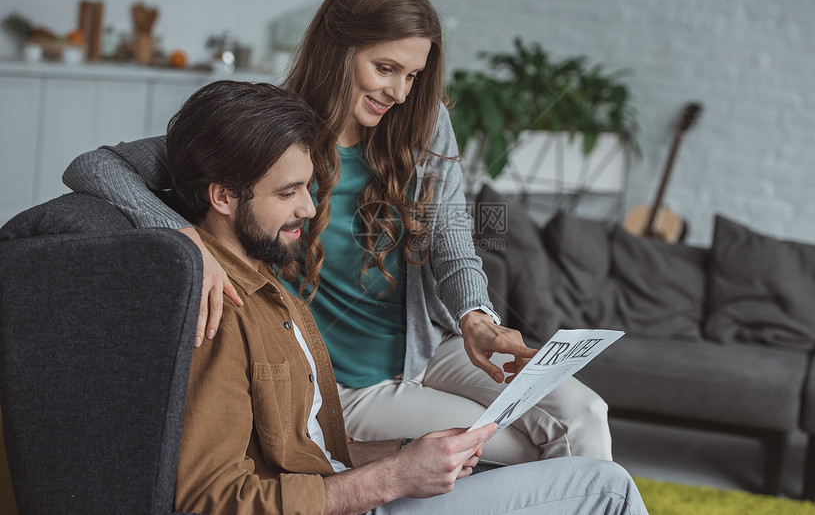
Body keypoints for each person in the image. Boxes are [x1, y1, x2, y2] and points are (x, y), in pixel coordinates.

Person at [63, 0, 612, 465]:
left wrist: (474, 314)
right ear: (337, 50)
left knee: (585, 414)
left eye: (413, 75)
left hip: (429, 346)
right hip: (344, 385)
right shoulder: (265, 130)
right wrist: (186, 240)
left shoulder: (423, 126)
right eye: (386, 68)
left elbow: (451, 237)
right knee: (513, 451)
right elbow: (93, 166)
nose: (400, 93)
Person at [167, 79, 648, 515]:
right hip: (355, 492)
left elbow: (304, 449)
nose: (312, 208)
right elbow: (211, 500)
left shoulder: (275, 289)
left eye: (415, 75)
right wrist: (392, 477)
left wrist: (400, 455)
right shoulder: (217, 313)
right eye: (290, 191)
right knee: (609, 488)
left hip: (364, 467)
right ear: (224, 197)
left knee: (574, 429)